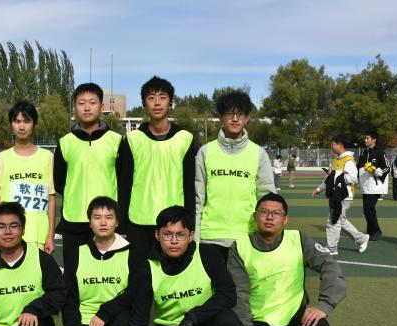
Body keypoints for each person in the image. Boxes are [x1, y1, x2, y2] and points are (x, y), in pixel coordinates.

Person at [228, 193, 346, 326]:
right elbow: (239, 294)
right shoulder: (240, 246)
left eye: (276, 213)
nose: (269, 217)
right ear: (255, 216)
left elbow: (329, 265)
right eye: (264, 212)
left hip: (294, 318)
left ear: (285, 219)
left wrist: (324, 305)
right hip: (258, 323)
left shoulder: (298, 239)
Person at [62, 196, 137, 326]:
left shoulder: (132, 252)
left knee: (125, 322)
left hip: (117, 319)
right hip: (87, 321)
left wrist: (105, 312)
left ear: (117, 222)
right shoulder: (77, 253)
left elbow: (135, 292)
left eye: (109, 217)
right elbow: (69, 298)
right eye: (97, 217)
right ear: (89, 222)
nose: (103, 222)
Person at [120, 76, 199, 259]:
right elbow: (124, 185)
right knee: (139, 273)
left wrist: (190, 225)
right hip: (138, 223)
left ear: (170, 102)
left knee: (171, 274)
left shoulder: (185, 139)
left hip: (174, 224)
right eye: (151, 98)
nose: (157, 103)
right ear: (144, 103)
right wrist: (122, 226)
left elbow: (190, 186)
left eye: (162, 97)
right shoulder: (132, 139)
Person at [195, 90, 275, 260]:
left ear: (247, 118)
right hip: (210, 238)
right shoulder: (205, 152)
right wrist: (195, 239)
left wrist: (268, 237)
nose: (235, 119)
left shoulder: (258, 154)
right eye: (229, 114)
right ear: (220, 117)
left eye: (240, 114)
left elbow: (268, 199)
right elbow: (198, 199)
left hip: (247, 238)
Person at [54, 83, 124, 274]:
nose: (87, 107)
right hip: (74, 220)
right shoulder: (65, 142)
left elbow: (123, 182)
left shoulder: (116, 140)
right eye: (81, 103)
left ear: (101, 107)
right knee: (74, 275)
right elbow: (59, 182)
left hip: (107, 221)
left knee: (108, 275)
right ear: (75, 107)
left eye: (92, 102)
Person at [0, 101, 56, 253]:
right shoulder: (1, 159)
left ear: (34, 124)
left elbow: (51, 198)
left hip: (38, 237)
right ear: (11, 124)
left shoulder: (47, 157)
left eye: (26, 121)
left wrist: (50, 236)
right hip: (8, 236)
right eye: (17, 121)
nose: (22, 126)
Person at [312, 135, 369, 255]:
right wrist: (319, 189)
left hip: (344, 196)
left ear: (340, 145)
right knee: (340, 220)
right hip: (336, 195)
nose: (331, 147)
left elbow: (353, 178)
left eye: (333, 144)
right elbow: (330, 179)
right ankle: (361, 238)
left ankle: (331, 248)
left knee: (333, 220)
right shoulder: (337, 160)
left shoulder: (348, 160)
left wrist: (337, 175)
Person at [356, 131, 390, 240]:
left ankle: (376, 231)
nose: (365, 140)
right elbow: (358, 167)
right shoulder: (363, 152)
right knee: (367, 210)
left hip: (375, 186)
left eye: (367, 138)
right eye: (365, 138)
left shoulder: (380, 152)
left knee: (368, 208)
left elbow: (387, 168)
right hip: (365, 186)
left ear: (374, 140)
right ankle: (371, 231)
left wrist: (377, 171)